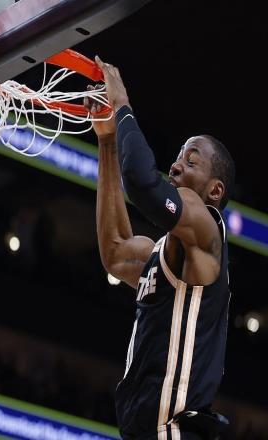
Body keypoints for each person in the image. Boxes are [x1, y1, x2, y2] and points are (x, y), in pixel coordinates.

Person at [85, 56, 235, 440]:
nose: (177, 166)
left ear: (215, 190)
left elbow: (142, 182)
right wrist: (107, 141)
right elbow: (115, 250)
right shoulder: (162, 253)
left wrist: (122, 105)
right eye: (179, 157)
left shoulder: (206, 228)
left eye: (191, 161)